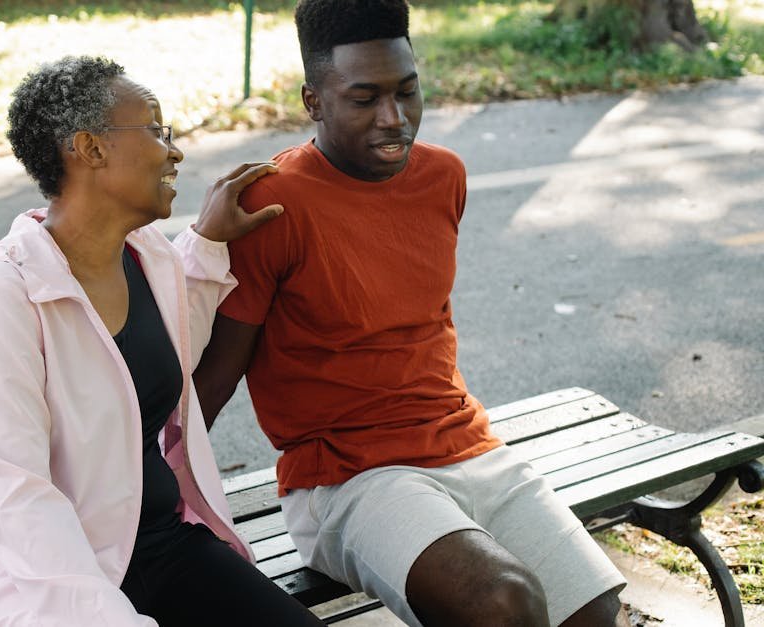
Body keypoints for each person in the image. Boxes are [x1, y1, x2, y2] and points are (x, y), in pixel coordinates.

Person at [192, 2, 631, 626]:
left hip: (467, 446)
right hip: (345, 480)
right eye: (364, 99)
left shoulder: (442, 176)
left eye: (407, 92)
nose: (394, 119)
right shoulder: (273, 205)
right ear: (313, 101)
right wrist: (143, 501)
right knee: (503, 605)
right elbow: (215, 378)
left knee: (593, 611)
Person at [0, 55, 325, 626]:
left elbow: (166, 347)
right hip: (30, 578)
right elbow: (16, 498)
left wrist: (206, 243)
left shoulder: (148, 253)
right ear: (89, 148)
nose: (174, 151)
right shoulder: (2, 294)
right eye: (157, 131)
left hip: (156, 544)